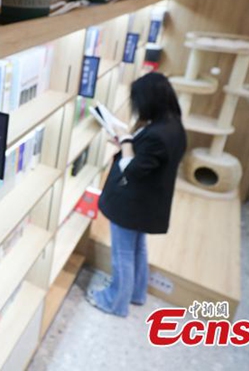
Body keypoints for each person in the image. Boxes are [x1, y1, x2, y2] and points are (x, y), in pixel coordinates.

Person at [87, 72, 187, 317]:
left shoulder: (157, 136)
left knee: (122, 253)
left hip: (132, 205)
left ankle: (115, 302)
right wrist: (128, 142)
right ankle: (136, 293)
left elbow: (131, 170)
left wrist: (126, 141)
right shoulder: (173, 125)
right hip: (148, 204)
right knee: (138, 248)